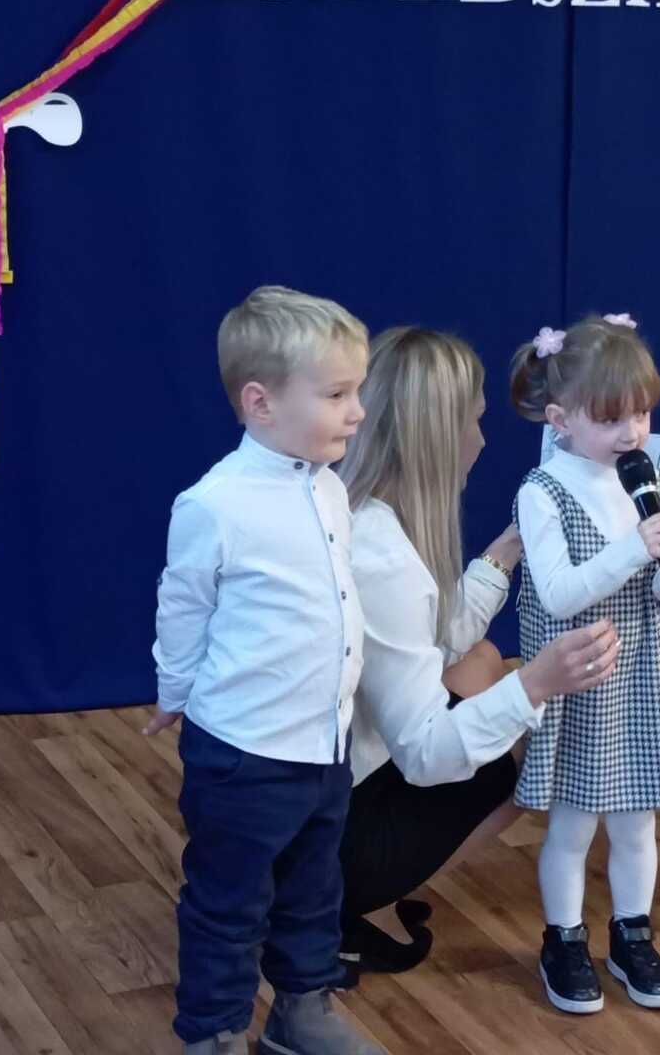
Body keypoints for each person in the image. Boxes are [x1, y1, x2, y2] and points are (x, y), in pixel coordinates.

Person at [144, 286, 383, 1055]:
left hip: (323, 747)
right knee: (229, 904)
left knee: (313, 890)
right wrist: (176, 690)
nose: (357, 412)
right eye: (337, 395)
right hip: (244, 754)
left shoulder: (330, 487)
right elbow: (183, 605)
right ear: (261, 402)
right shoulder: (216, 503)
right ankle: (213, 1032)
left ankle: (300, 1011)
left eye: (358, 392)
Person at [336, 326, 619, 974]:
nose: (483, 440)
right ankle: (342, 907)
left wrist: (512, 543)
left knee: (483, 659)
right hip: (328, 831)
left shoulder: (357, 511)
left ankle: (353, 893)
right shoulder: (386, 560)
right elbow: (428, 755)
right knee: (535, 755)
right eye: (474, 420)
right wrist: (537, 684)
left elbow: (437, 640)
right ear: (437, 434)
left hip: (305, 797)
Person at [510, 313, 660, 1015]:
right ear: (560, 419)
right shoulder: (543, 491)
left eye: (642, 414)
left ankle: (631, 934)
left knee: (636, 821)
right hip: (576, 675)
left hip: (636, 673)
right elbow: (560, 595)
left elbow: (656, 592)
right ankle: (564, 938)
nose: (632, 433)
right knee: (573, 825)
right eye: (611, 417)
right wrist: (633, 548)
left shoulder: (653, 484)